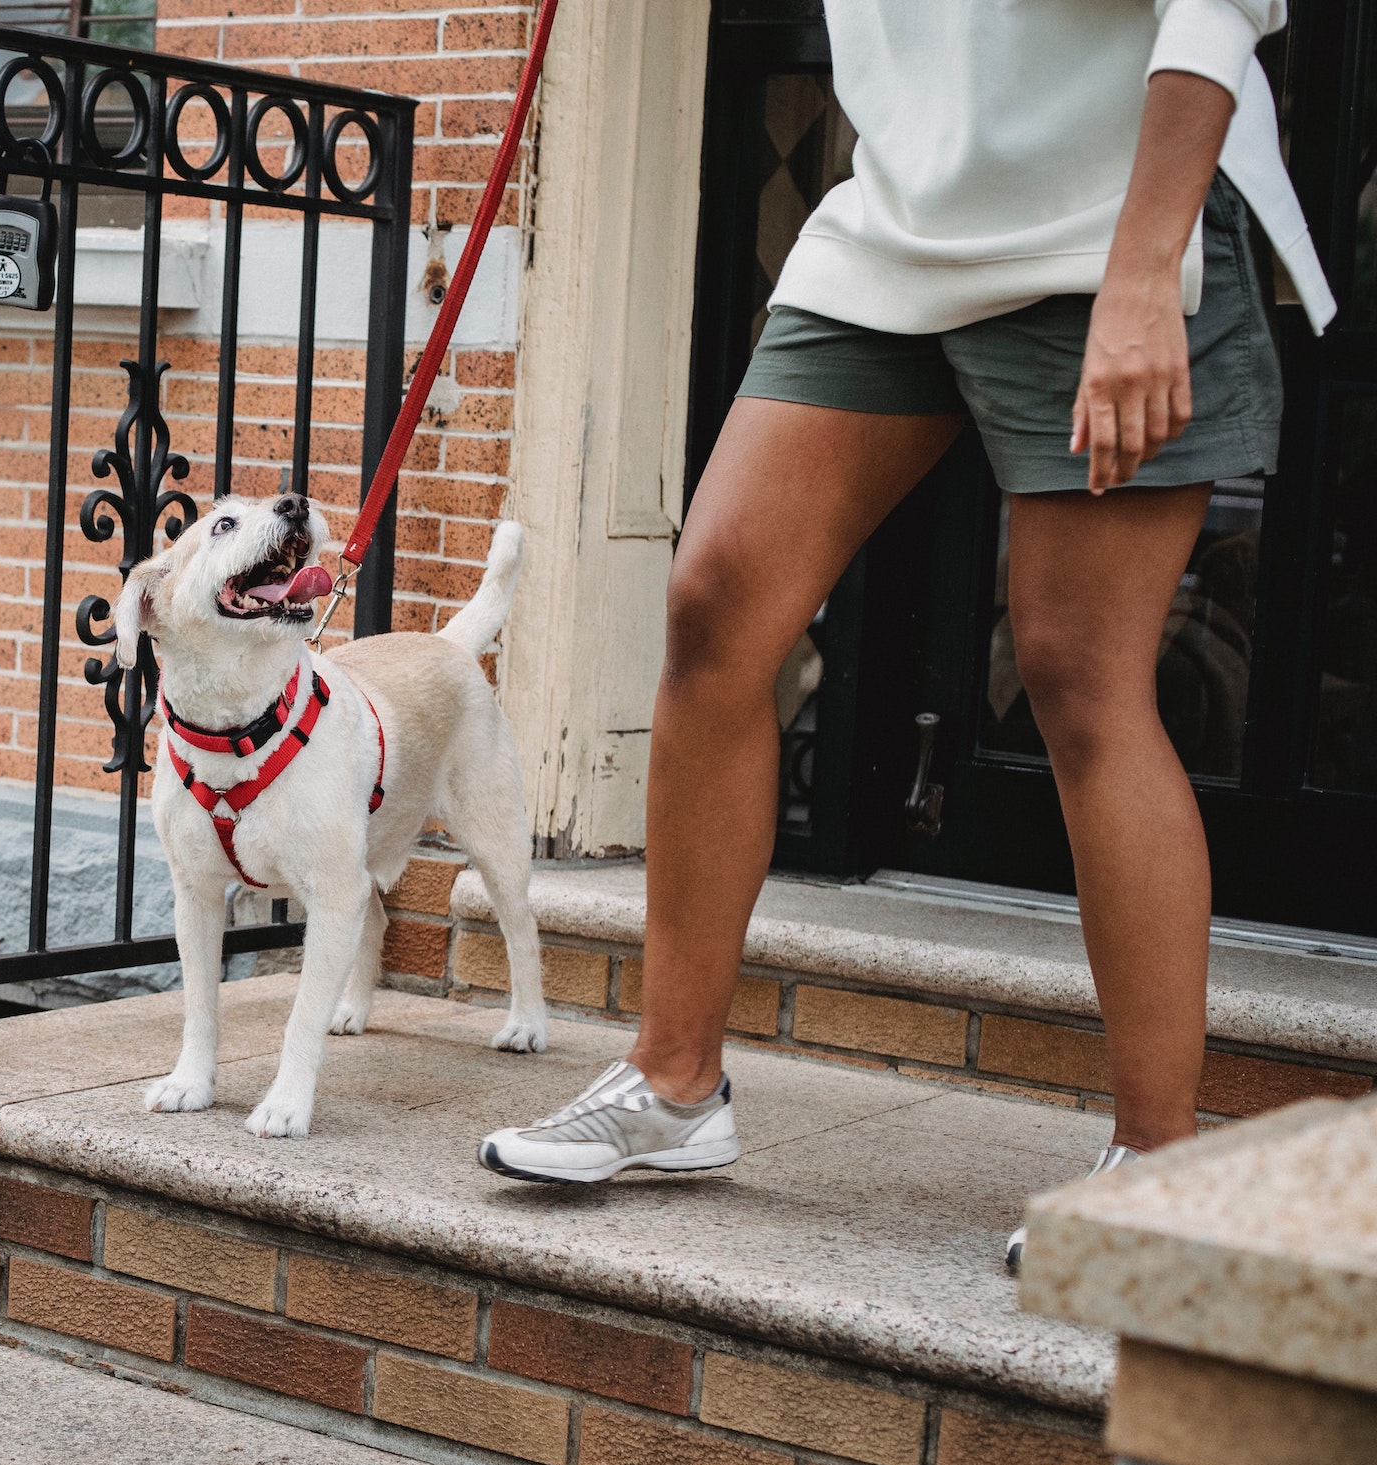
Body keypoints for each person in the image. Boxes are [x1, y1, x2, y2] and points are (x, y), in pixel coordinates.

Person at [477, 0, 1333, 1269]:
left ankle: (1159, 1163)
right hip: (898, 230)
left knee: (1077, 672)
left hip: (1115, 224)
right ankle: (674, 1085)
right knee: (715, 606)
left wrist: (1148, 271)